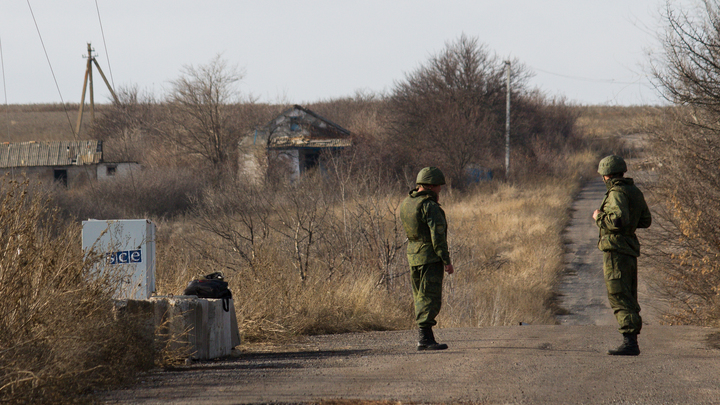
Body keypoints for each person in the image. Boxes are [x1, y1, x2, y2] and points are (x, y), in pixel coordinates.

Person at [592, 155, 651, 356]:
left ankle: (630, 342)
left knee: (619, 295)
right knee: (628, 294)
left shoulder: (616, 194)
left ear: (606, 175)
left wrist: (599, 217)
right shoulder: (633, 191)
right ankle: (631, 340)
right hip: (628, 249)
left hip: (616, 251)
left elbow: (617, 221)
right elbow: (645, 220)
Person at [399, 167, 455, 351]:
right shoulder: (429, 206)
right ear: (431, 186)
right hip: (429, 257)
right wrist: (446, 260)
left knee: (419, 295)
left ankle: (426, 337)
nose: (440, 189)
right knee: (429, 296)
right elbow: (437, 238)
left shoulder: (408, 202)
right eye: (438, 186)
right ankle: (425, 338)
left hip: (413, 255)